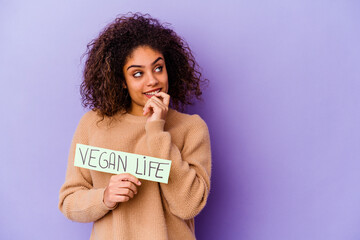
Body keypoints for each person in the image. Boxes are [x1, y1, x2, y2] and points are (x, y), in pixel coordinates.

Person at [58, 13, 211, 240]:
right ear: (121, 80)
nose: (152, 80)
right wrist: (105, 197)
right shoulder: (93, 124)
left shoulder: (192, 128)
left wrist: (156, 130)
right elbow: (69, 200)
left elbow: (188, 205)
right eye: (137, 73)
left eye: (158, 68)